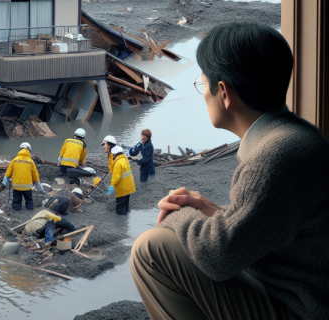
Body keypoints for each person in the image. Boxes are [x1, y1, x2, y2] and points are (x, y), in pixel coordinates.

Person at [130, 22, 329, 320]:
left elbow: (217, 257)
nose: (204, 93)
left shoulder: (273, 157)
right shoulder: (295, 136)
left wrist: (179, 215)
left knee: (152, 248)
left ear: (223, 92)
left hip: (300, 309)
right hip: (306, 296)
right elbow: (265, 224)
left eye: (203, 84)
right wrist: (209, 209)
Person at [2, 143, 46, 211]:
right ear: (29, 150)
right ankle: (29, 207)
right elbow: (35, 174)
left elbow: (8, 172)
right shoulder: (30, 161)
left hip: (16, 185)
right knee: (28, 198)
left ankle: (17, 208)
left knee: (16, 198)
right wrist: (37, 183)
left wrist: (4, 181)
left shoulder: (15, 160)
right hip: (27, 186)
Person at [104, 143, 135, 215]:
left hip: (122, 188)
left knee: (120, 206)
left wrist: (111, 187)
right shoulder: (125, 159)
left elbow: (116, 178)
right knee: (126, 204)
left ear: (114, 154)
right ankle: (126, 217)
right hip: (129, 186)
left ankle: (121, 222)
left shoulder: (117, 163)